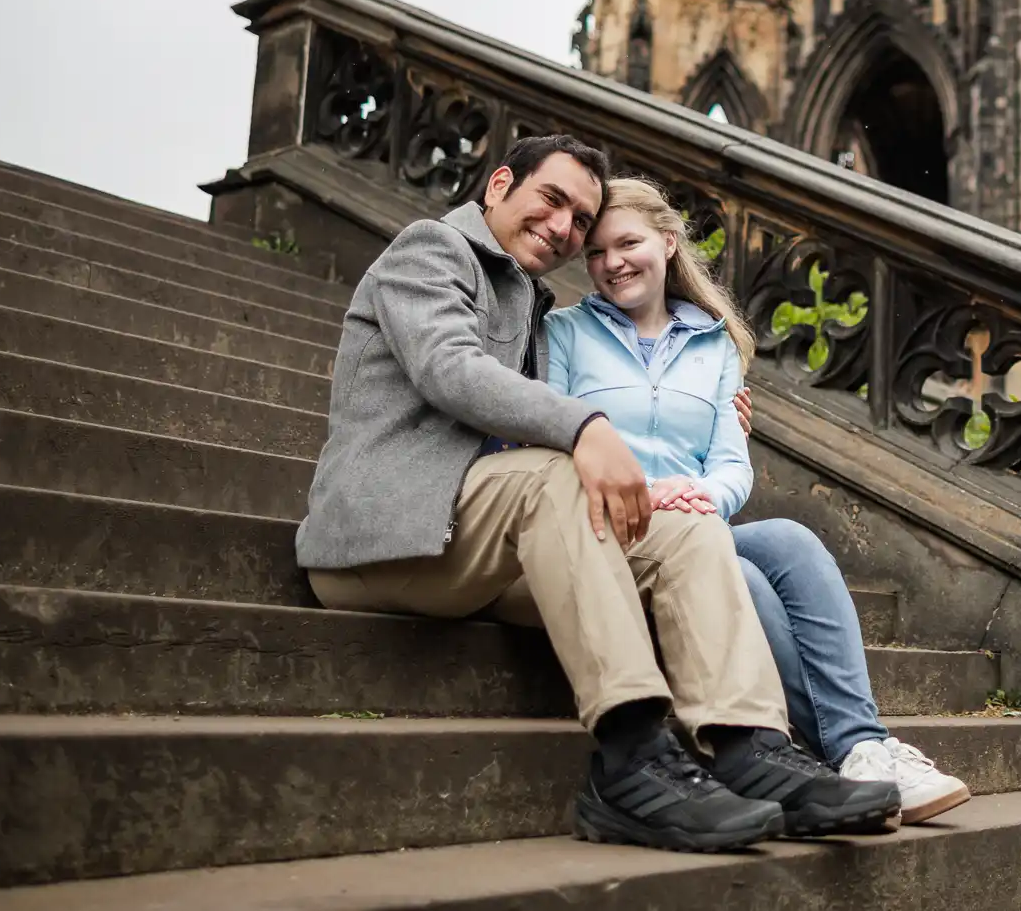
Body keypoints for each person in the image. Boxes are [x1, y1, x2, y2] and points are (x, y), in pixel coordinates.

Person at [295, 135, 899, 852]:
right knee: (558, 475)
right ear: (497, 186)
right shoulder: (432, 249)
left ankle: (752, 750)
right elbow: (449, 369)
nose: (564, 227)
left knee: (688, 526)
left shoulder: (532, 300)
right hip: (385, 539)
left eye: (580, 219)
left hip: (477, 551)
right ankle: (634, 762)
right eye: (552, 200)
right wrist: (586, 427)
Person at [544, 177, 972, 825]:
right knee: (744, 575)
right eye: (596, 253)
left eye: (627, 243)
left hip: (695, 526)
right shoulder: (566, 332)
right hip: (613, 526)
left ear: (667, 241)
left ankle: (861, 746)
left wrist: (702, 494)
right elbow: (550, 433)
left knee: (791, 541)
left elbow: (728, 465)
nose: (611, 263)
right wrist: (647, 490)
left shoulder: (714, 344)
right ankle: (828, 752)